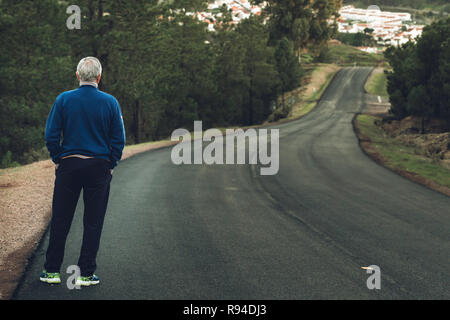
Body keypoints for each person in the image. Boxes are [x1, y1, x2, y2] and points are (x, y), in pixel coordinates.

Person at [40, 57, 125, 287]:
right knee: (93, 221)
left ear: (78, 75)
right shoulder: (110, 102)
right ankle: (86, 274)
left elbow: (51, 134)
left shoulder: (64, 99)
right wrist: (111, 163)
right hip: (98, 167)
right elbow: (119, 139)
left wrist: (58, 158)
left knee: (61, 219)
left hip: (69, 165)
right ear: (99, 77)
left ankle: (51, 272)